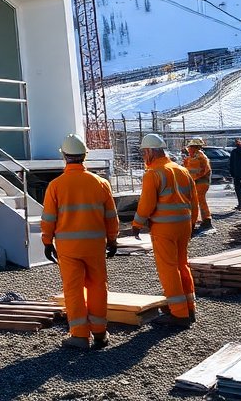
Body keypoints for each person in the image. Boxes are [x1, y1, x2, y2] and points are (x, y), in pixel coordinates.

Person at [41, 134, 119, 350]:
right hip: (95, 246)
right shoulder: (101, 183)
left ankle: (79, 335)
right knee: (97, 287)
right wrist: (112, 239)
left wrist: (47, 242)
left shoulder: (56, 186)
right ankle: (100, 333)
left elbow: (48, 218)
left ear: (64, 157)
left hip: (69, 248)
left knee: (74, 289)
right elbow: (111, 216)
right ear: (85, 156)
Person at [131, 133, 196, 328]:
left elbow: (146, 203)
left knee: (168, 268)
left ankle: (179, 313)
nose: (144, 156)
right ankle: (189, 306)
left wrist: (137, 224)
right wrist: (192, 223)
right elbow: (194, 201)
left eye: (144, 152)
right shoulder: (182, 170)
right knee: (182, 264)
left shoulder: (153, 173)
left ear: (150, 151)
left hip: (164, 227)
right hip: (183, 225)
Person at [183, 138, 213, 231]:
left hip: (200, 182)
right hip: (198, 182)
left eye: (190, 148)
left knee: (200, 200)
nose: (188, 149)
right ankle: (203, 219)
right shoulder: (194, 157)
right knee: (198, 201)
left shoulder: (199, 157)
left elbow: (195, 171)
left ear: (194, 148)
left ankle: (206, 220)